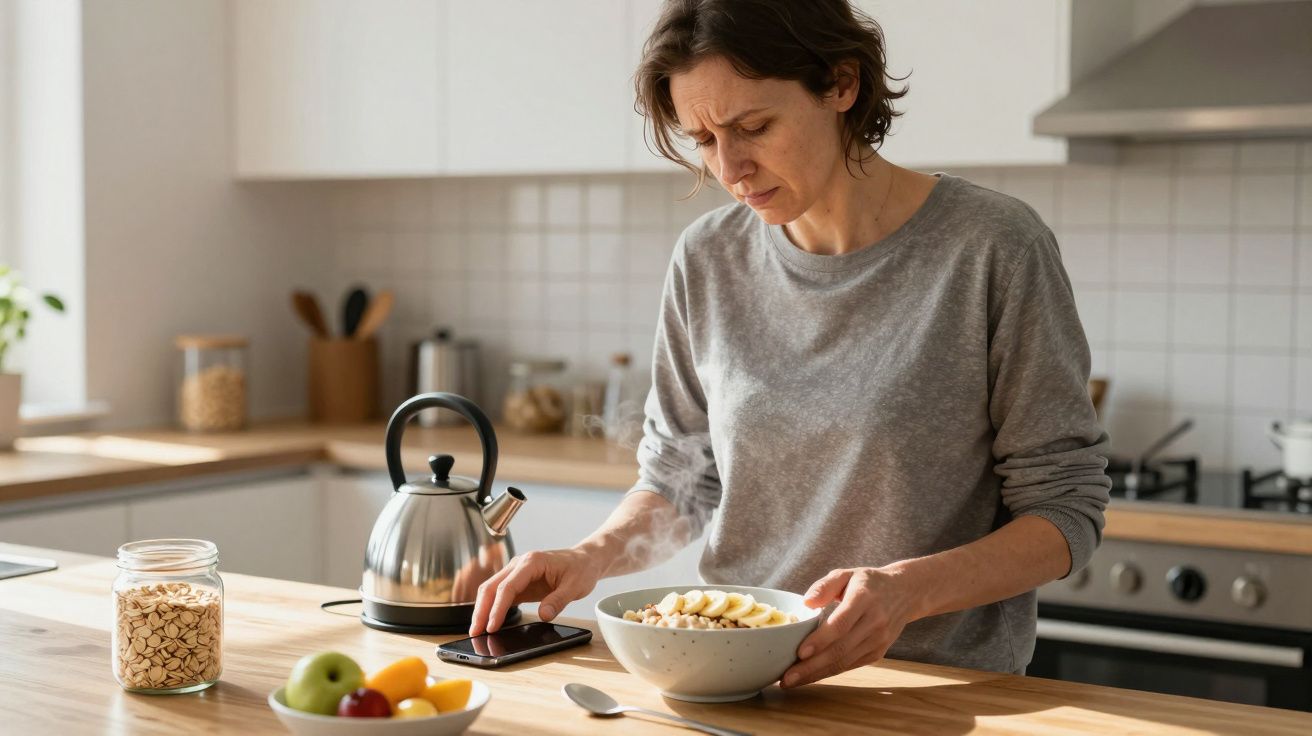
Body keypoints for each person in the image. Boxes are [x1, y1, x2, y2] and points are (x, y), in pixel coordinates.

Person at [469, 0, 1110, 687]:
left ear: (841, 85)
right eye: (704, 141)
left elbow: (1064, 511)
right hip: (734, 677)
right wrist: (589, 556)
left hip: (931, 693)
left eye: (754, 126)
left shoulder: (993, 249)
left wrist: (904, 592)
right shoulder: (708, 259)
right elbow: (682, 478)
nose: (732, 169)